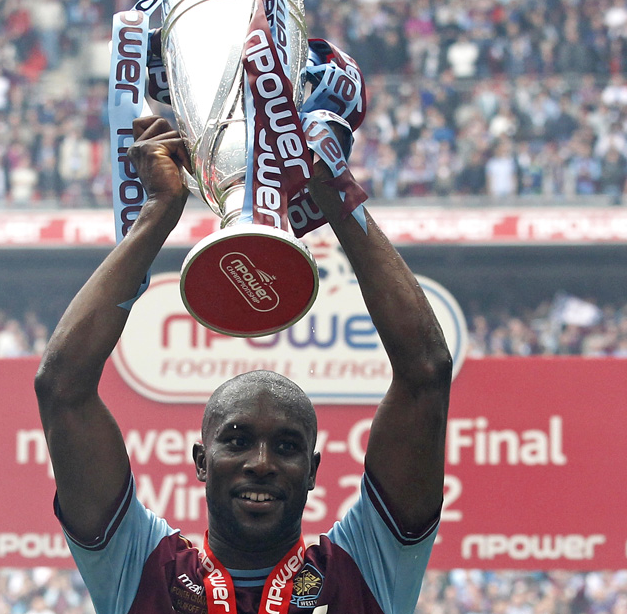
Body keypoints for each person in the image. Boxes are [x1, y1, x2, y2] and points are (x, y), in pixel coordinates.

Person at [34, 115, 452, 614]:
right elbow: (62, 388)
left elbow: (426, 373)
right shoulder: (142, 567)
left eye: (288, 446)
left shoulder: (365, 566)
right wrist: (160, 211)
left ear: (314, 470)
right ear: (200, 461)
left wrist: (332, 193)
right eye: (236, 440)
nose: (261, 463)